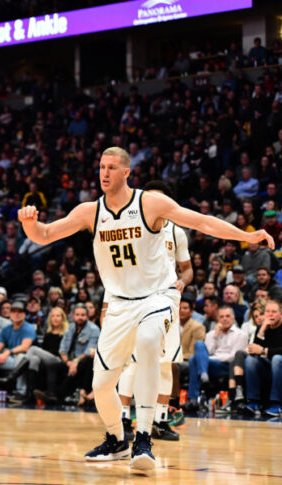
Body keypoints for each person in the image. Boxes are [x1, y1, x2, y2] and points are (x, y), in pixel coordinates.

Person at [18, 146, 273, 474]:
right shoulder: (89, 211)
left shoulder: (149, 203)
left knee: (150, 342)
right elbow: (47, 234)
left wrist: (246, 236)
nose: (104, 173)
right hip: (120, 303)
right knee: (101, 385)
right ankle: (116, 439)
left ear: (127, 172)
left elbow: (201, 221)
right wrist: (29, 225)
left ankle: (143, 439)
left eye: (111, 167)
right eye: (101, 167)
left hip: (157, 296)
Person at [118, 181, 193, 442]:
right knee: (133, 363)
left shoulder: (176, 232)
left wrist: (182, 281)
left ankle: (160, 421)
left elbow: (187, 268)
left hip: (167, 301)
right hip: (138, 300)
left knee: (166, 364)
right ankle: (124, 418)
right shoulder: (131, 229)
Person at [184, 306, 248, 411]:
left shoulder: (241, 335)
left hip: (227, 366)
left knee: (194, 359)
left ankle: (193, 398)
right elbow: (206, 352)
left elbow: (234, 357)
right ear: (218, 319)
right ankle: (203, 375)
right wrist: (215, 337)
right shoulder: (211, 334)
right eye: (221, 317)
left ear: (233, 317)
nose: (224, 319)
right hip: (209, 364)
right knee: (199, 346)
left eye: (227, 316)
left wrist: (215, 358)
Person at [243, 299, 282, 416]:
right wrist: (262, 330)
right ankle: (254, 402)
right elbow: (253, 350)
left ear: (281, 314)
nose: (270, 314)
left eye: (274, 312)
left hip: (279, 365)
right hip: (269, 368)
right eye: (268, 311)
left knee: (277, 359)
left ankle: (277, 404)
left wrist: (265, 351)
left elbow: (263, 350)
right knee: (250, 360)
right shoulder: (262, 327)